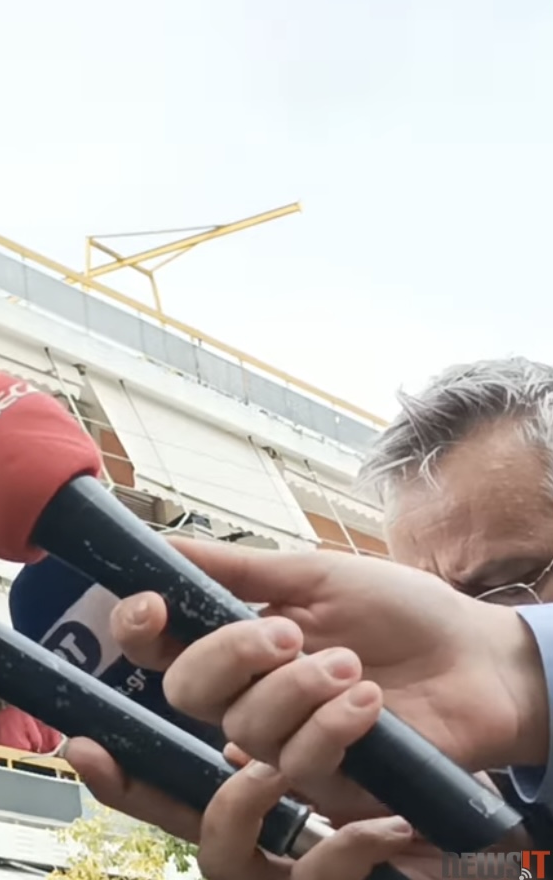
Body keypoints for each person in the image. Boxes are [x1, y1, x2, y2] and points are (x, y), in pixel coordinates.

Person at [66, 357, 553, 877]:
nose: (460, 625)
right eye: (430, 597)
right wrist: (500, 864)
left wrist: (524, 671)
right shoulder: (486, 814)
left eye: (510, 582)